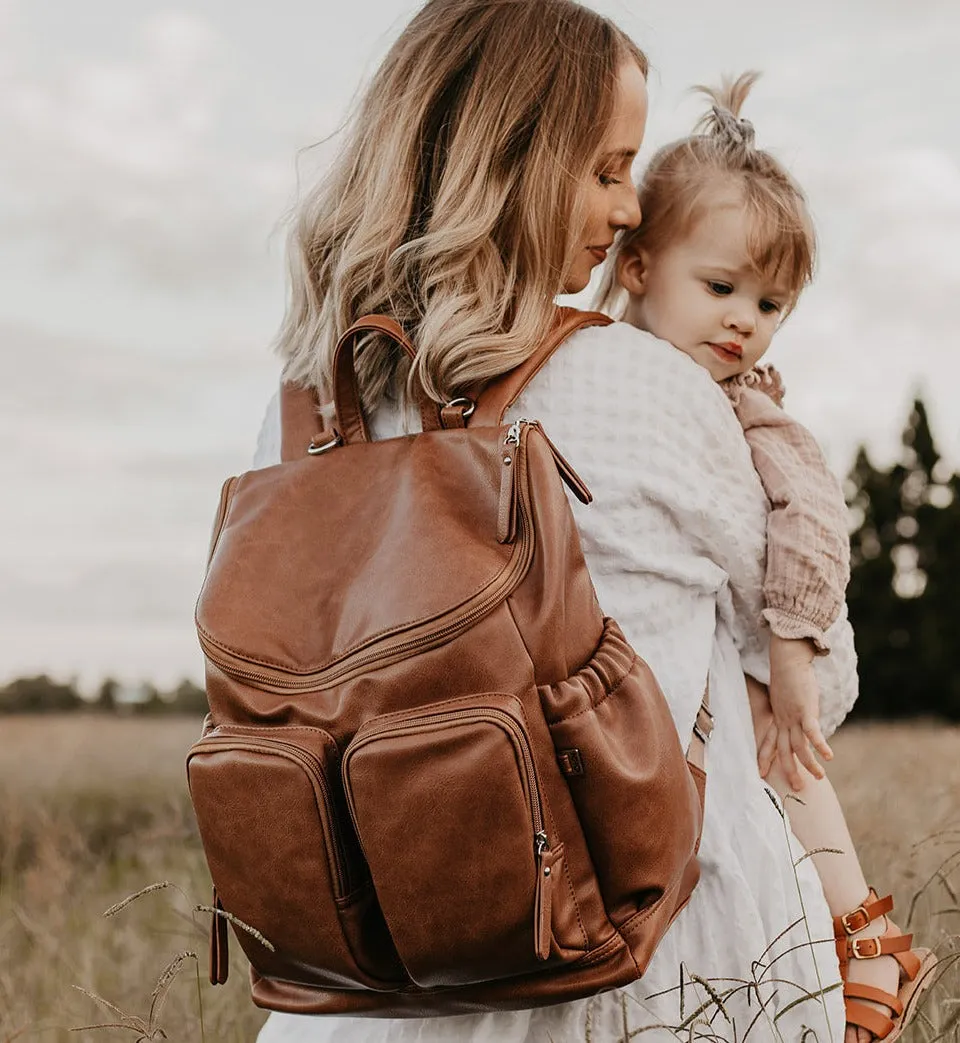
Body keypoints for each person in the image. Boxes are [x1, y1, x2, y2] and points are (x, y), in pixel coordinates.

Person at [249, 1, 863, 1039]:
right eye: (608, 168)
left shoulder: (309, 398)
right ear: (516, 163)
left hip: (376, 957)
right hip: (643, 952)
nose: (629, 209)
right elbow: (809, 680)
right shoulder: (648, 383)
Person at [590, 71, 936, 1042]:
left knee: (779, 732)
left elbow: (814, 520)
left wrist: (790, 644)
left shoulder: (751, 410)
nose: (744, 320)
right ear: (635, 267)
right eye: (720, 288)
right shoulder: (604, 373)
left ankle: (863, 927)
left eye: (770, 302)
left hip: (750, 644)